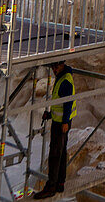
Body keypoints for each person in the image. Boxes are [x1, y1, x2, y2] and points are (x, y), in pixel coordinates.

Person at [34, 60, 76, 198]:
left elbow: (68, 103)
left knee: (55, 154)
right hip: (59, 121)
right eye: (52, 67)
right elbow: (60, 102)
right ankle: (60, 183)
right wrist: (51, 114)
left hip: (61, 124)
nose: (54, 69)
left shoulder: (65, 81)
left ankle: (51, 186)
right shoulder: (62, 77)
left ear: (62, 65)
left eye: (56, 66)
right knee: (61, 152)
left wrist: (64, 122)